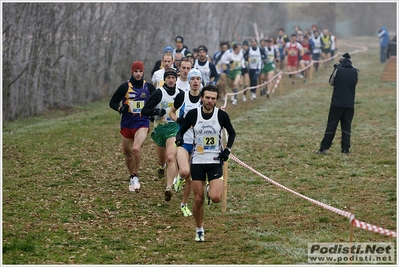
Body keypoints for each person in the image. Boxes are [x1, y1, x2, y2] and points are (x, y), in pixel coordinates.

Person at [174, 84, 236, 242]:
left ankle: (210, 187)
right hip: (198, 161)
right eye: (207, 97)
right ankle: (199, 228)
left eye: (213, 98)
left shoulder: (221, 116)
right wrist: (179, 138)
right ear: (202, 98)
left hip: (215, 160)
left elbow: (232, 132)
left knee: (215, 197)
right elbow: (181, 130)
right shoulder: (193, 114)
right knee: (198, 199)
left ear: (216, 100)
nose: (210, 101)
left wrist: (227, 150)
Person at [109, 61, 156, 192]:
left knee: (136, 149)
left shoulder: (149, 87)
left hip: (142, 122)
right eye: (136, 71)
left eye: (140, 71)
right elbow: (112, 102)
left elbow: (157, 102)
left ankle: (135, 176)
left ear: (143, 72)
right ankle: (131, 175)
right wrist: (120, 108)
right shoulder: (124, 87)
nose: (138, 74)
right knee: (128, 154)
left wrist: (152, 113)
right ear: (132, 72)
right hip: (127, 123)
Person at [141, 68, 183, 201]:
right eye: (168, 77)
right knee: (162, 160)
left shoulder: (180, 93)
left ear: (176, 79)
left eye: (173, 77)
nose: (171, 80)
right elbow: (144, 110)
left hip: (174, 129)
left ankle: (168, 188)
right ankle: (161, 166)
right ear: (164, 79)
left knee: (171, 157)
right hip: (160, 130)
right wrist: (156, 111)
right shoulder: (159, 93)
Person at [169, 69, 203, 217]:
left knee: (191, 177)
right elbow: (171, 112)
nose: (195, 81)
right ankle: (179, 179)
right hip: (183, 141)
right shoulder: (182, 97)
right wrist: (179, 120)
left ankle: (184, 204)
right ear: (188, 81)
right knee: (185, 171)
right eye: (193, 79)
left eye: (198, 79)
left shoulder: (205, 99)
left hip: (198, 144)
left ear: (201, 81)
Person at [316, 53, 359, 154]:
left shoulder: (338, 69)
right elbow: (355, 82)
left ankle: (324, 148)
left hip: (337, 103)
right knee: (346, 127)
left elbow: (331, 82)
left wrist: (336, 70)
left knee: (331, 125)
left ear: (341, 61)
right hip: (349, 104)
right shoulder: (355, 71)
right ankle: (345, 149)